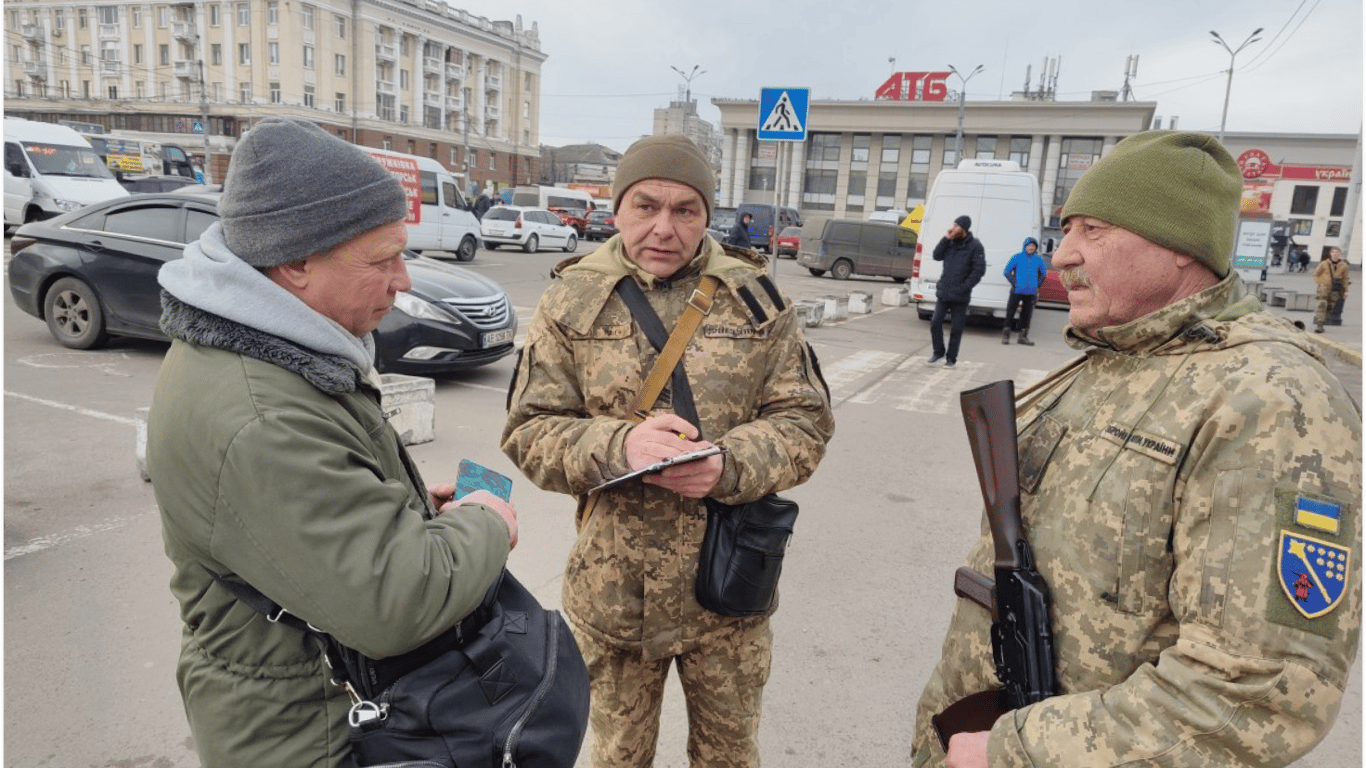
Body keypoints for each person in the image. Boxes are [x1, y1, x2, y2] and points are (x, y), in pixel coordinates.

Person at [912, 131, 1362, 768]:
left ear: (1180, 248)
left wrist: (1015, 751)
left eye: (1093, 230)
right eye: (1067, 228)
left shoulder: (1273, 402)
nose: (1063, 254)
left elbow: (1260, 692)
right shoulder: (1113, 357)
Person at [146, 117, 518, 768]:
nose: (403, 280)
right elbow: (393, 601)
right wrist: (486, 522)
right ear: (294, 262)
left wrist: (401, 509)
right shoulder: (258, 414)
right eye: (383, 260)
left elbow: (307, 514)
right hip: (304, 736)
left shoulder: (274, 351)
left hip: (321, 704)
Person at [502, 134, 835, 768]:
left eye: (686, 209)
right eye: (645, 205)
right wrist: (618, 444)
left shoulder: (756, 299)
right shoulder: (571, 301)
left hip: (728, 594)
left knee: (729, 758)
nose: (664, 227)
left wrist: (729, 466)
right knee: (615, 758)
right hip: (614, 593)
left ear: (708, 215)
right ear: (617, 208)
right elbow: (529, 430)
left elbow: (806, 421)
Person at [927, 215, 986, 367]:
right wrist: (946, 238)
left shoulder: (975, 246)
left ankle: (951, 358)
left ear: (964, 229)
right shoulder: (950, 242)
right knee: (935, 323)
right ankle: (938, 352)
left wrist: (964, 287)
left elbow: (978, 271)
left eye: (956, 225)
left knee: (956, 328)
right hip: (944, 292)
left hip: (960, 295)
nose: (952, 228)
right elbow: (936, 256)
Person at [1001, 237, 1047, 345]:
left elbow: (1043, 274)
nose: (1031, 247)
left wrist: (1037, 285)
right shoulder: (1017, 257)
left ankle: (1022, 337)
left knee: (1026, 315)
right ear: (1025, 246)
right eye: (1029, 245)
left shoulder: (1038, 259)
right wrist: (1015, 283)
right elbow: (1007, 272)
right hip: (1017, 291)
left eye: (1033, 246)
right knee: (1010, 313)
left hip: (1031, 292)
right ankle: (1006, 336)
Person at [1313, 246, 1349, 332]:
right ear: (1330, 254)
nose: (1335, 254)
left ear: (1339, 254)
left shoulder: (1343, 265)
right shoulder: (1324, 263)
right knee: (1322, 305)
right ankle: (1319, 325)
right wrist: (1321, 283)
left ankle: (1322, 321)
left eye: (1337, 252)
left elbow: (1345, 278)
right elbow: (1316, 275)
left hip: (1336, 289)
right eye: (1333, 252)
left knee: (1330, 307)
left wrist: (1346, 290)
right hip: (1324, 288)